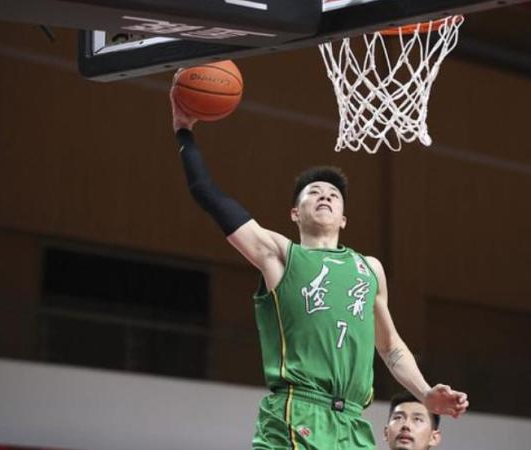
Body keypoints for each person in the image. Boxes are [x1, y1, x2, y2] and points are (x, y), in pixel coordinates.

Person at [170, 84, 468, 449]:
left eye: (333, 194)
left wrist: (424, 392)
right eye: (313, 192)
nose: (324, 195)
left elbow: (390, 347)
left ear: (343, 218)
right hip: (298, 412)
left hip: (352, 424)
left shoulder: (369, 268)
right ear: (295, 213)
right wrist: (183, 130)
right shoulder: (280, 255)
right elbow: (206, 192)